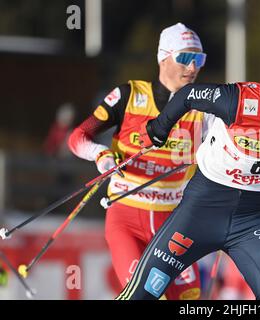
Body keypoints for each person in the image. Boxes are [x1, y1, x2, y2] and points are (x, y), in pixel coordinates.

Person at [115, 46, 260, 300]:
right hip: (202, 209)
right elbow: (189, 94)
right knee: (142, 294)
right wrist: (159, 128)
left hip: (253, 218)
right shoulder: (240, 100)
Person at [68, 22, 214, 300]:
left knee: (191, 299)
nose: (193, 67)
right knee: (144, 297)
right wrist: (101, 155)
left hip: (174, 223)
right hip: (127, 218)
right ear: (163, 57)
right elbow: (78, 137)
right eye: (185, 58)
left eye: (199, 59)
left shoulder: (203, 108)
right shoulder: (129, 95)